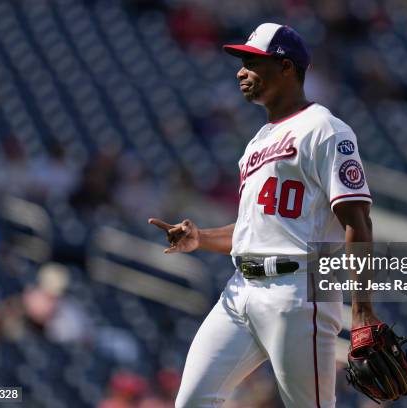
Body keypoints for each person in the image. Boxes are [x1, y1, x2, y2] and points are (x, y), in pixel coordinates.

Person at [149, 23, 379, 407]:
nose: (241, 70)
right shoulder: (258, 141)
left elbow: (358, 222)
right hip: (241, 289)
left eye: (253, 61)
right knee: (191, 401)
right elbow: (255, 229)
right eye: (242, 61)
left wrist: (363, 310)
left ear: (287, 68)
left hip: (300, 289)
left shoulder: (324, 128)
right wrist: (201, 238)